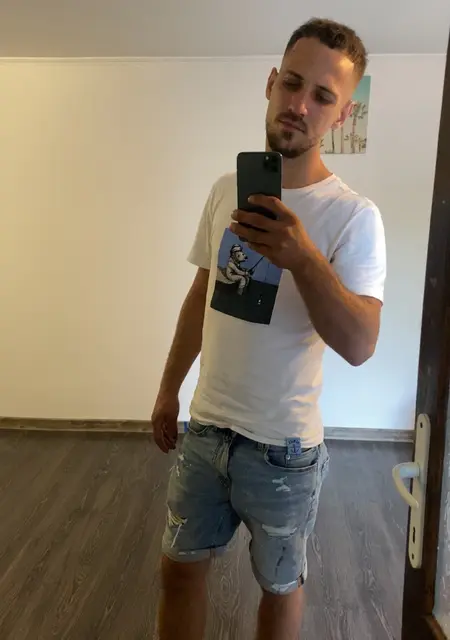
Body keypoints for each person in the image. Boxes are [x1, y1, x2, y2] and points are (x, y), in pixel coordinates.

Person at [152, 17, 386, 640]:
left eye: (323, 96)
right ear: (270, 83)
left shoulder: (354, 217)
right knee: (178, 572)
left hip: (285, 450)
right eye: (292, 83)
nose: (300, 104)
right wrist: (168, 389)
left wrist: (303, 257)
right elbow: (201, 296)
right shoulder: (225, 190)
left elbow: (361, 345)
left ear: (341, 114)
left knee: (279, 590)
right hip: (206, 429)